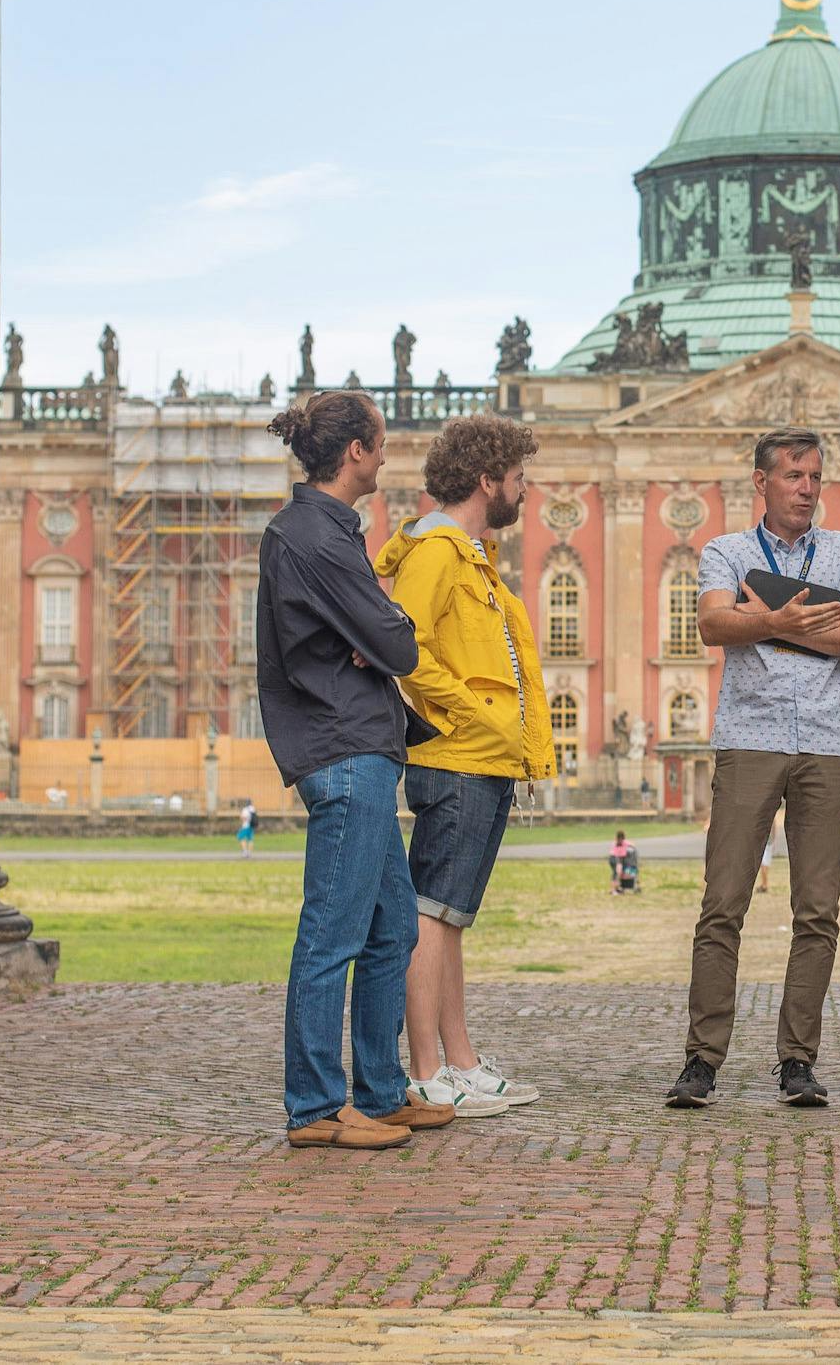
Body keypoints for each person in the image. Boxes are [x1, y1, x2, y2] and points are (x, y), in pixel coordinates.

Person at [256, 390, 455, 1152]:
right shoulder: (312, 535)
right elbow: (399, 643)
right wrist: (379, 632)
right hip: (343, 750)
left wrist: (373, 633)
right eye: (381, 443)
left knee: (392, 928)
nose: (387, 454)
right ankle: (314, 1105)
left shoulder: (326, 530)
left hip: (363, 743)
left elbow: (380, 635)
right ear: (356, 454)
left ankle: (375, 1090)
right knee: (332, 935)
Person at [667, 429, 840, 1111]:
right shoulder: (724, 550)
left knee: (817, 910)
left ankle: (798, 1059)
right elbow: (710, 623)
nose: (807, 488)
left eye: (815, 476)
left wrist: (765, 618)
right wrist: (806, 619)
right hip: (750, 737)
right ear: (760, 482)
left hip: (830, 738)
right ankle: (702, 1060)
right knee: (722, 902)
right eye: (793, 475)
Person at [375, 414, 554, 1120]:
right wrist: (463, 714)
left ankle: (462, 1059)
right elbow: (403, 645)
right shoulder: (437, 553)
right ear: (488, 480)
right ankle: (425, 1068)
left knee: (448, 915)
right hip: (455, 755)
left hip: (482, 757)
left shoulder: (472, 556)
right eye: (519, 478)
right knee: (429, 913)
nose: (524, 491)